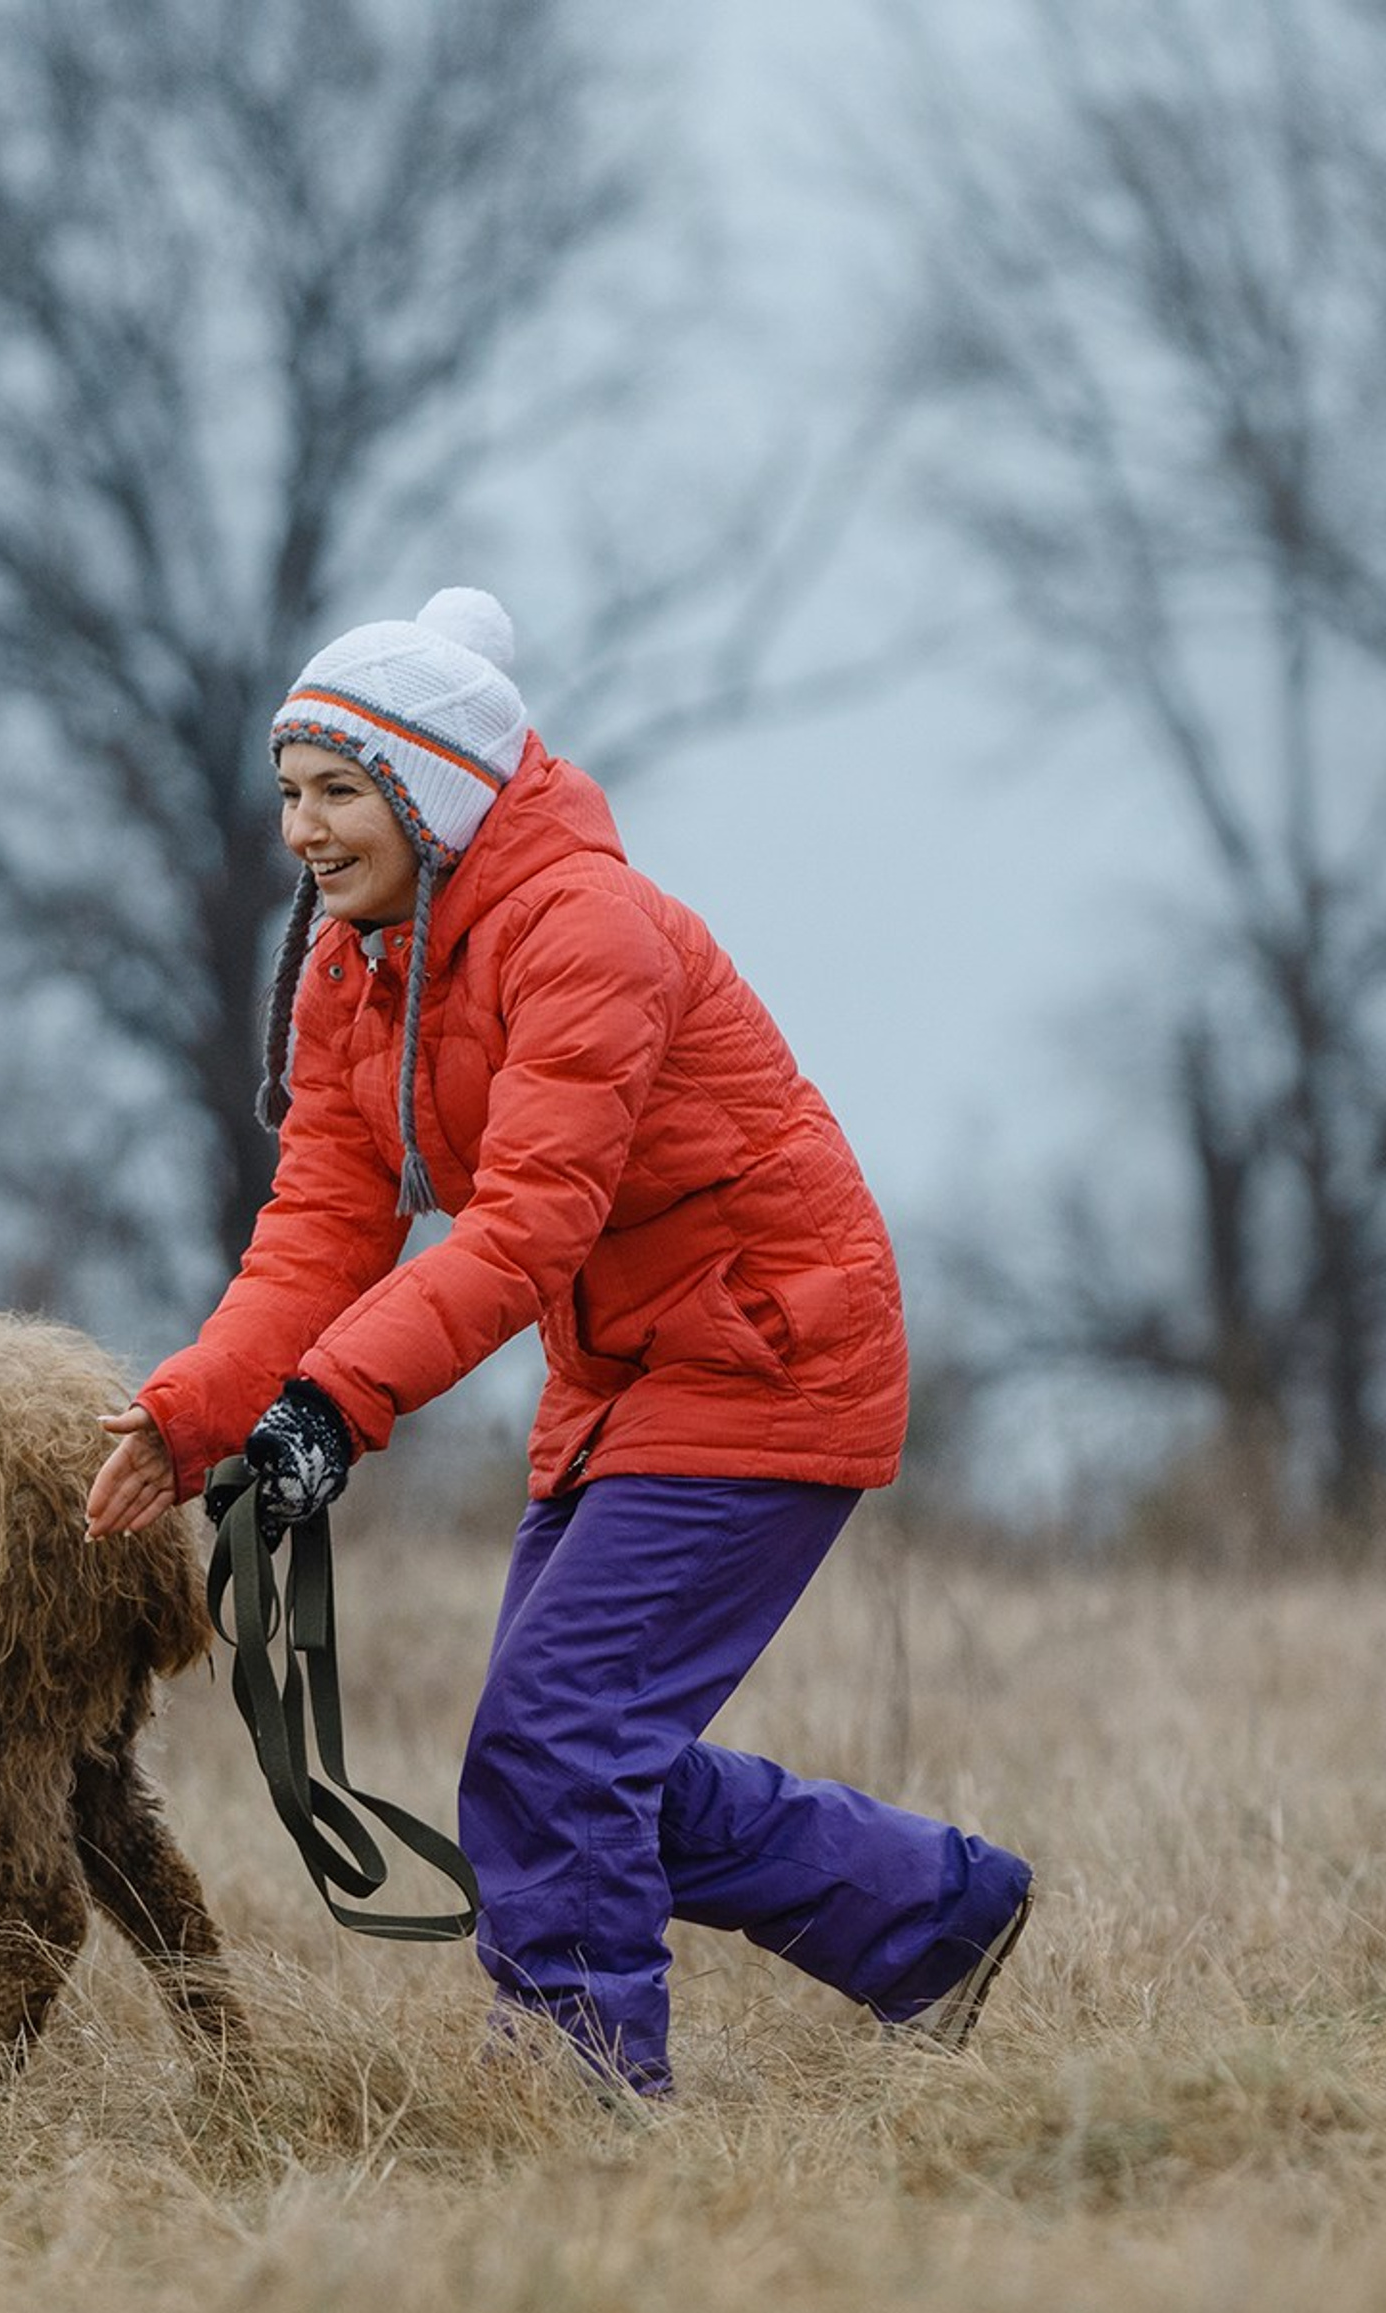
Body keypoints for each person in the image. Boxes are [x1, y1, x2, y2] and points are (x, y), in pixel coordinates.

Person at [85, 587, 1033, 2097]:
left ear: (433, 792)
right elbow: (323, 1228)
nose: (305, 831)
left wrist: (333, 1409)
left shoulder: (585, 931)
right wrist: (195, 1413)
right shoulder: (358, 970)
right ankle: (934, 1915)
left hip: (768, 1354)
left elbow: (528, 1226)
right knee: (574, 1764)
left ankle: (577, 2088)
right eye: (291, 794)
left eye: (339, 792)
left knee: (554, 1748)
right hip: (623, 1381)